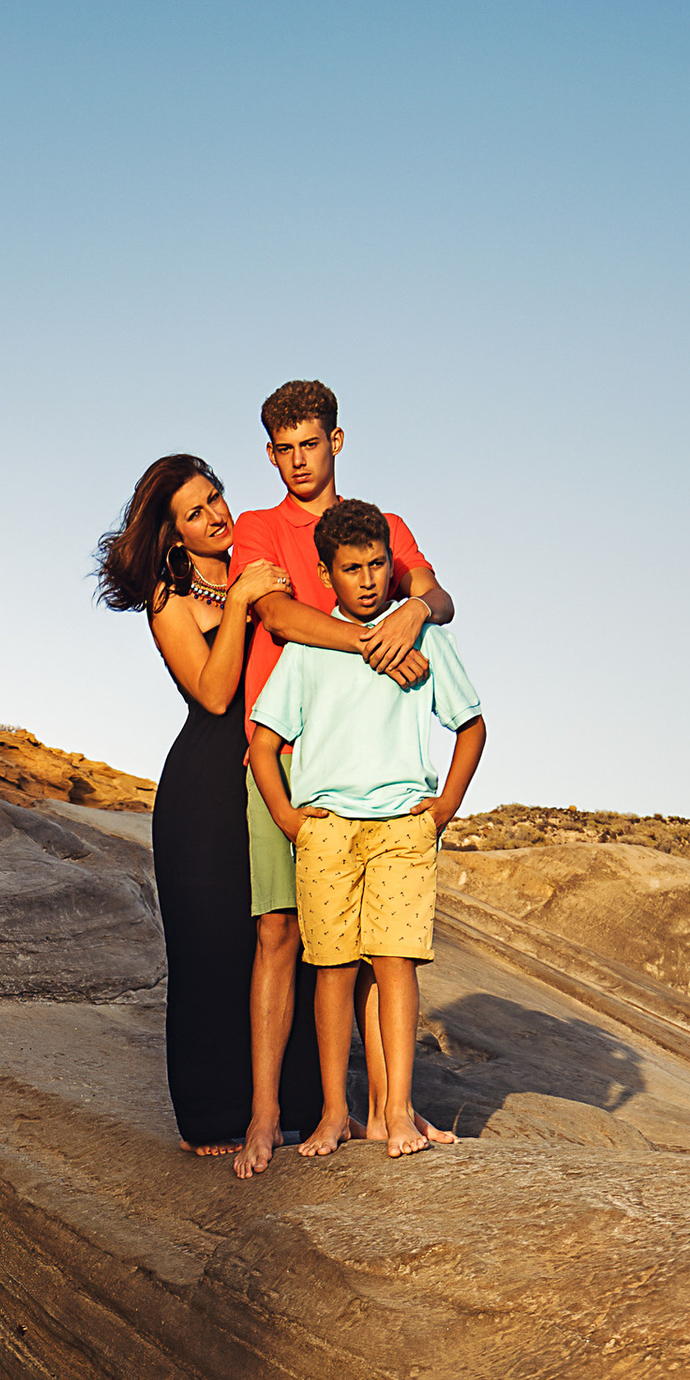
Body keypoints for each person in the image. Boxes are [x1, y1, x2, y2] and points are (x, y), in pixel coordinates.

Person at [229, 380, 452, 1174]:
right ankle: (265, 1116)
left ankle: (389, 1107)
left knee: (372, 946)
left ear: (337, 441)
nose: (299, 460)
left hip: (368, 766)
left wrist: (411, 612)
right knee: (280, 933)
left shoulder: (382, 527)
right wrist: (371, 639)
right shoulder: (257, 529)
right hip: (288, 756)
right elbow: (278, 617)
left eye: (311, 444)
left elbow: (437, 596)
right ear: (270, 454)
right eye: (285, 449)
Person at [248, 497, 487, 1160]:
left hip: (401, 831)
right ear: (327, 575)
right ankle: (333, 1114)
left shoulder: (424, 637)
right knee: (332, 970)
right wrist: (288, 818)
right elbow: (263, 744)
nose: (367, 579)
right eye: (351, 568)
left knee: (395, 964)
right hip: (327, 832)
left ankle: (398, 1113)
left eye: (378, 564)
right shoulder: (307, 649)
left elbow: (471, 726)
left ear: (391, 564)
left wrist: (445, 805)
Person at [95, 453, 314, 1152]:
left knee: (289, 939)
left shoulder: (262, 560)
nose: (216, 515)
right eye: (196, 512)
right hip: (205, 790)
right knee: (213, 948)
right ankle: (210, 1115)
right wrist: (242, 603)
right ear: (173, 534)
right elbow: (216, 694)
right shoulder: (169, 601)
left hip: (277, 772)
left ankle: (294, 1102)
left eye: (215, 497)